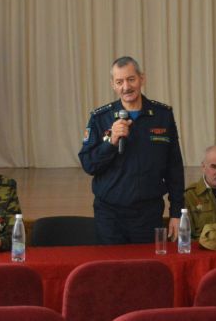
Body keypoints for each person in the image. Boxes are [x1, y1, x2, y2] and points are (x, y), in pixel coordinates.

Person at [79, 56, 185, 244]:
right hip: (109, 215)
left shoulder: (162, 115)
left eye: (131, 79)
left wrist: (176, 212)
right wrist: (110, 142)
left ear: (141, 79)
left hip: (148, 214)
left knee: (146, 270)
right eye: (119, 82)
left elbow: (174, 168)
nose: (126, 87)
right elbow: (89, 165)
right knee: (111, 270)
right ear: (113, 84)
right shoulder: (100, 118)